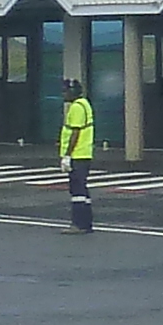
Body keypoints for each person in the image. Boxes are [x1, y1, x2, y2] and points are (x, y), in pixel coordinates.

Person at [58, 76, 99, 237]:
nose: (63, 94)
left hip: (78, 154)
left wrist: (67, 155)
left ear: (72, 91)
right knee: (82, 190)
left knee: (77, 191)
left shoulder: (76, 107)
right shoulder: (85, 104)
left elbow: (75, 132)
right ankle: (86, 223)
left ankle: (78, 224)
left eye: (65, 91)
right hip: (84, 154)